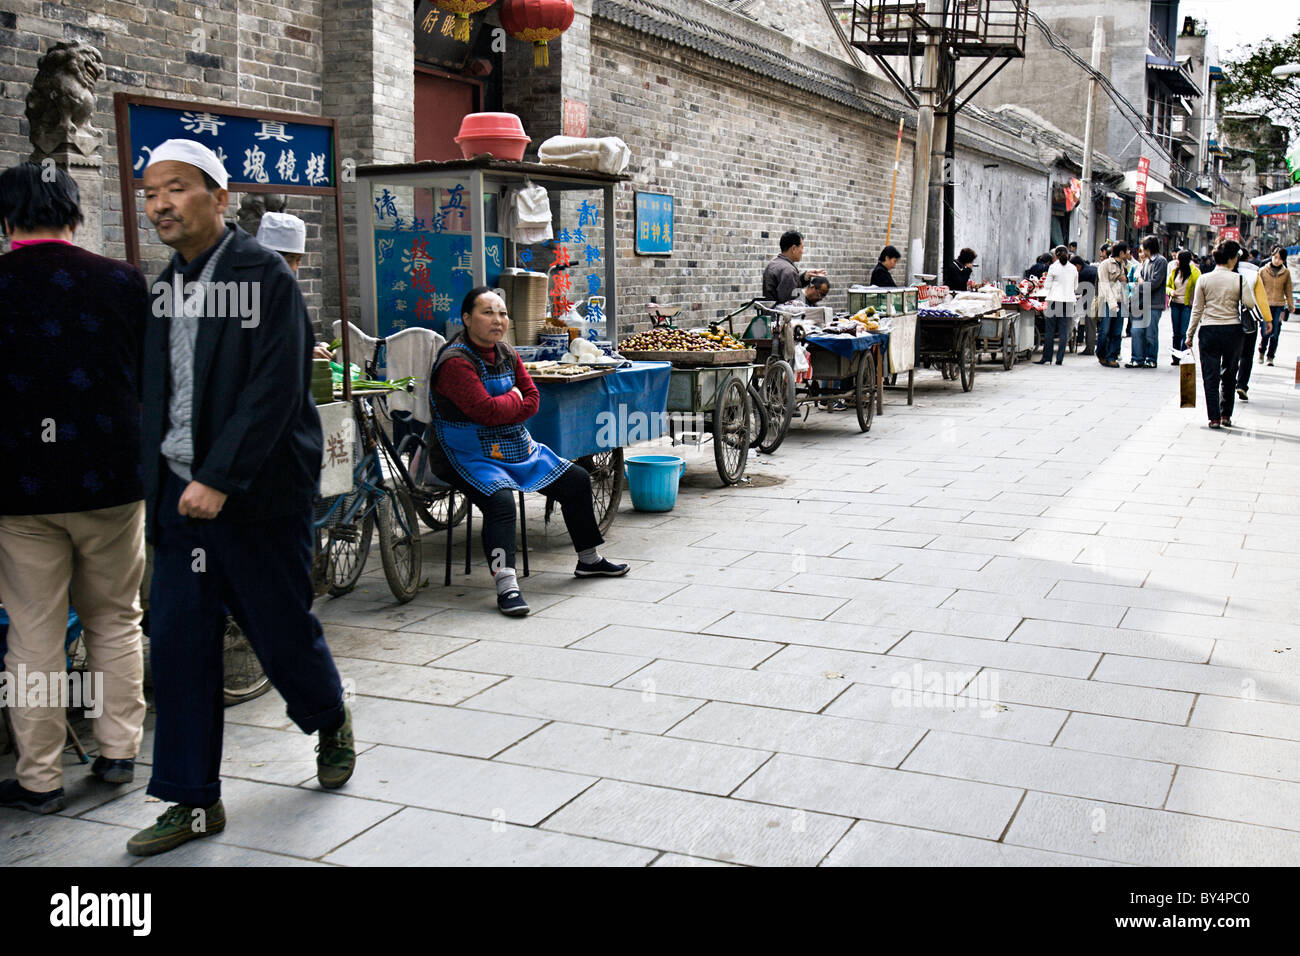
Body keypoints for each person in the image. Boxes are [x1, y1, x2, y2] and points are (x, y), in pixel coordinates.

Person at [131, 139, 353, 857]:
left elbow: (273, 391)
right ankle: (192, 802)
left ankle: (327, 716)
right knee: (179, 647)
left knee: (279, 631)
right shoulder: (164, 285)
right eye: (151, 191)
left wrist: (219, 478)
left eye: (176, 189)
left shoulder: (265, 279)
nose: (160, 204)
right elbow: (155, 393)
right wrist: (157, 480)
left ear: (219, 199)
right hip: (178, 501)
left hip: (256, 499)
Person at [0, 163, 148, 814]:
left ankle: (39, 780)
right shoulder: (123, 283)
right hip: (113, 480)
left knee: (32, 634)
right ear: (76, 218)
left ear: (6, 223)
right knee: (115, 617)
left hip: (20, 488)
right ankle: (119, 754)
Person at [430, 287, 629, 618]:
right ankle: (506, 585)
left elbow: (532, 399)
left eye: (503, 313)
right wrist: (512, 399)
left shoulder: (506, 352)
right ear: (466, 319)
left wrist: (506, 403)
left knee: (577, 480)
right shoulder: (456, 362)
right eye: (488, 312)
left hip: (516, 444)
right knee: (500, 502)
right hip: (464, 451)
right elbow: (486, 412)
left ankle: (589, 560)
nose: (498, 320)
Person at [1186, 240, 1268, 428]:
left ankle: (1213, 418)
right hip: (1233, 331)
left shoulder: (1204, 279)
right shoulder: (1239, 279)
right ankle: (1226, 415)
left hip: (1209, 331)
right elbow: (1249, 303)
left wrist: (1189, 334)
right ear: (1231, 259)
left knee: (1210, 375)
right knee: (1230, 374)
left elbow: (1197, 310)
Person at [255, 211, 332, 360]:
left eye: (298, 260)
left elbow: (290, 333)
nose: (295, 268)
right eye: (290, 260)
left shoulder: (285, 292)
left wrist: (314, 345)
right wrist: (302, 351)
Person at [1233, 254, 1270, 402]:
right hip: (1249, 320)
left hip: (1228, 320)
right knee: (1247, 355)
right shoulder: (1254, 274)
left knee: (1231, 355)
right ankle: (1242, 384)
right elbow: (1261, 299)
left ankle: (1228, 382)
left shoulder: (1224, 273)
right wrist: (1268, 320)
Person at [1129, 236, 1167, 368]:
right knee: (1136, 331)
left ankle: (1151, 359)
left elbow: (1154, 283)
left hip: (1154, 303)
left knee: (1151, 333)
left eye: (1143, 247)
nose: (1141, 250)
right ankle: (1137, 358)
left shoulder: (1161, 261)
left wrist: (1140, 282)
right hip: (1141, 301)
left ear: (1148, 248)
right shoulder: (1145, 262)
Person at [1037, 245, 1077, 365]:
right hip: (1068, 301)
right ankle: (1059, 359)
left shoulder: (1053, 267)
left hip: (1054, 301)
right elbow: (1076, 286)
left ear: (1056, 255)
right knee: (1063, 331)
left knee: (1050, 330)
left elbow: (1047, 286)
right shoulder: (1073, 268)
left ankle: (1047, 357)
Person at [762, 230, 825, 304]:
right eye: (802, 247)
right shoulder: (788, 270)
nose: (802, 251)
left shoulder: (773, 264)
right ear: (794, 249)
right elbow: (790, 305)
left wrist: (806, 276)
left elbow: (785, 288)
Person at [1256, 246, 1292, 366]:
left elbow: (1288, 290)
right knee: (1265, 331)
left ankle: (1270, 356)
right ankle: (1262, 351)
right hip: (1265, 305)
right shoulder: (1262, 271)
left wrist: (1290, 304)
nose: (1277, 260)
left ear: (1283, 260)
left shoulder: (1286, 273)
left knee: (1275, 332)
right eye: (1275, 257)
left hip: (1279, 306)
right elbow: (1256, 289)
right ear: (1271, 256)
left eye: (1280, 259)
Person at [1096, 242, 1129, 367]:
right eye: (1126, 251)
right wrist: (1112, 303)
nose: (1128, 254)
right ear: (1121, 253)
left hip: (1122, 301)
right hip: (1107, 302)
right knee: (1105, 330)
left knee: (1117, 331)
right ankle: (1101, 354)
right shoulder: (1105, 265)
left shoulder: (1124, 265)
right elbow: (1104, 285)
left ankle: (1112, 356)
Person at [1166, 250, 1200, 366]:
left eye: (1178, 259)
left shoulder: (1193, 272)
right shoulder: (1175, 271)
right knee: (1175, 333)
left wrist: (1193, 266)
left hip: (1186, 305)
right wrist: (1171, 291)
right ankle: (1175, 357)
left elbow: (1199, 282)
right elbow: (1167, 286)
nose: (1176, 261)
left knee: (1184, 332)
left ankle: (1183, 355)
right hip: (1175, 304)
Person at [1071, 254, 1098, 356]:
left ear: (1077, 266)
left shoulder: (1082, 273)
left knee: (1090, 325)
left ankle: (1090, 349)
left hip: (1092, 301)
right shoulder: (1092, 268)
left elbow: (1077, 290)